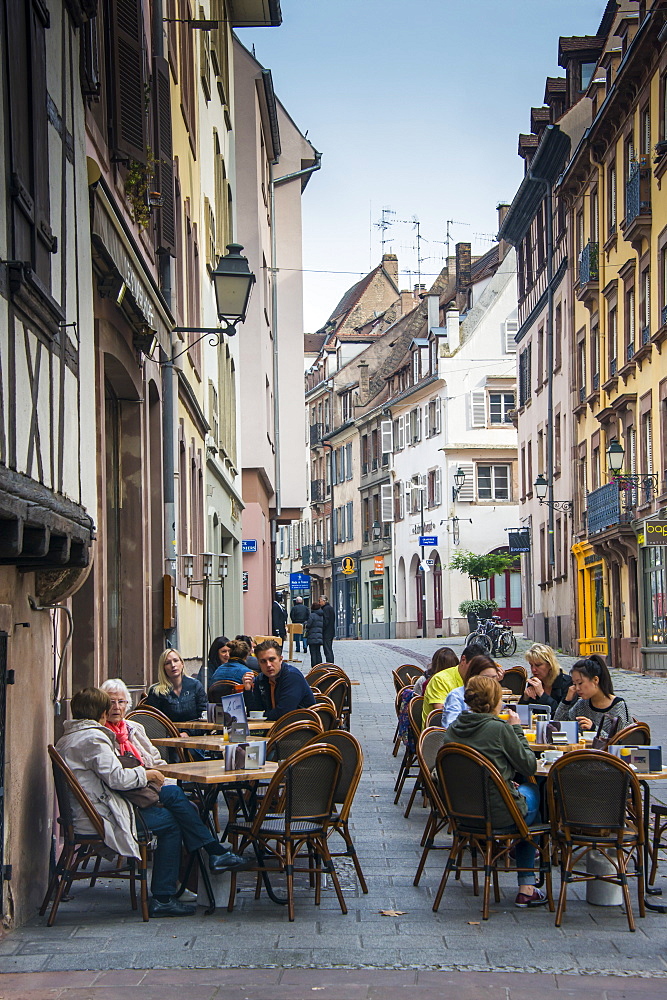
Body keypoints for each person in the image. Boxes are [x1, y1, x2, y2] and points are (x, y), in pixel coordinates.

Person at [56, 687, 248, 918]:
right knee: (170, 824)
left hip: (103, 806)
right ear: (101, 712)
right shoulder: (92, 739)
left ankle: (214, 853)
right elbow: (118, 779)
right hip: (101, 815)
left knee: (173, 795)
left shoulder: (72, 737)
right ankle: (164, 896)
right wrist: (147, 775)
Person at [442, 675, 547, 908]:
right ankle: (527, 886)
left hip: (461, 813)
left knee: (521, 795)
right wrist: (517, 729)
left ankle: (522, 868)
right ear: (495, 700)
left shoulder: (454, 728)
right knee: (533, 792)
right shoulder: (498, 729)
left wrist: (501, 781)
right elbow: (529, 765)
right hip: (498, 812)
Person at [554, 654, 631, 736]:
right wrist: (566, 701)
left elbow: (620, 741)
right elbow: (558, 727)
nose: (577, 688)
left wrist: (594, 729)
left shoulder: (618, 706)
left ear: (595, 680)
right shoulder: (582, 704)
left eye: (580, 683)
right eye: (574, 684)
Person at [242, 640, 316, 720]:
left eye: (272, 659)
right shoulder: (261, 679)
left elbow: (283, 713)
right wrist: (248, 690)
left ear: (281, 659)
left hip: (299, 727)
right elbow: (255, 711)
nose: (268, 665)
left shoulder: (292, 677)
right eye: (263, 661)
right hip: (273, 727)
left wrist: (262, 716)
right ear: (259, 663)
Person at [422, 642, 487, 725]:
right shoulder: (440, 680)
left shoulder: (477, 680)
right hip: (442, 733)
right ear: (463, 659)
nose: (477, 670)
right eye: (474, 666)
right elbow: (442, 714)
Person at [145, 649, 207, 724]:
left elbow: (204, 716)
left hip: (194, 734)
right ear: (163, 668)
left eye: (176, 660)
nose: (173, 665)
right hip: (168, 734)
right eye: (168, 663)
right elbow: (152, 722)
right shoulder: (156, 692)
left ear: (182, 663)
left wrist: (188, 733)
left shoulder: (195, 685)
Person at [441, 655, 503, 727]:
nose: (490, 683)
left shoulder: (494, 694)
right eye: (485, 678)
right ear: (473, 678)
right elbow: (449, 725)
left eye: (494, 678)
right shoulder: (456, 695)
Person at [520, 643, 571, 717]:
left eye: (538, 665)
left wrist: (542, 694)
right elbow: (521, 714)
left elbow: (561, 715)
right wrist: (525, 697)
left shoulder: (566, 683)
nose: (533, 669)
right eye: (531, 665)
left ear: (550, 665)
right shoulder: (534, 681)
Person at [305, 601, 325, 668]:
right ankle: (320, 665)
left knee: (313, 652)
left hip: (312, 636)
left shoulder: (312, 615)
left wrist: (306, 626)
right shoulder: (321, 615)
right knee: (318, 652)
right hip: (319, 636)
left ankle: (314, 666)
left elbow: (309, 625)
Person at [319, 595, 335, 663]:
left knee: (327, 649)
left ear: (324, 601)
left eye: (320, 601)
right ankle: (330, 662)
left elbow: (325, 621)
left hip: (327, 632)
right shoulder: (330, 608)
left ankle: (330, 663)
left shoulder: (325, 609)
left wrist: (322, 628)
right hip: (331, 631)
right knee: (329, 648)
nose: (319, 603)